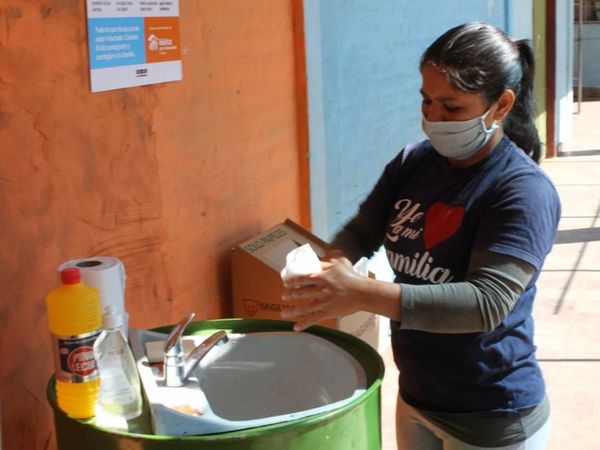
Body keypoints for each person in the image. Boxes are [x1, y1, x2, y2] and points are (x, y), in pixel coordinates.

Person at [280, 22, 560, 450]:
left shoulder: (522, 190)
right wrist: (331, 271)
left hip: (491, 413)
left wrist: (359, 294)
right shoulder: (414, 163)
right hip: (417, 398)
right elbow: (361, 231)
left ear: (500, 105)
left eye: (452, 107)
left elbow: (486, 304)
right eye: (426, 101)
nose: (433, 118)